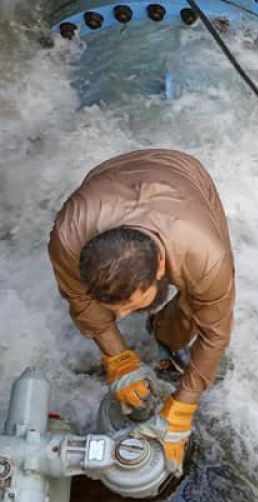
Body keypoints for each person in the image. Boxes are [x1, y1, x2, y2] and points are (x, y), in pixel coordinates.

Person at [48, 149, 235, 475]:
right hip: (111, 176)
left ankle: (168, 339)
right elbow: (80, 299)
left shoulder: (206, 257)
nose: (120, 318)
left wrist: (184, 405)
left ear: (161, 266)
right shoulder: (68, 237)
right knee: (100, 310)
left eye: (131, 306)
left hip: (185, 178)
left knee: (195, 310)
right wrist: (118, 359)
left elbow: (214, 333)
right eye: (115, 310)